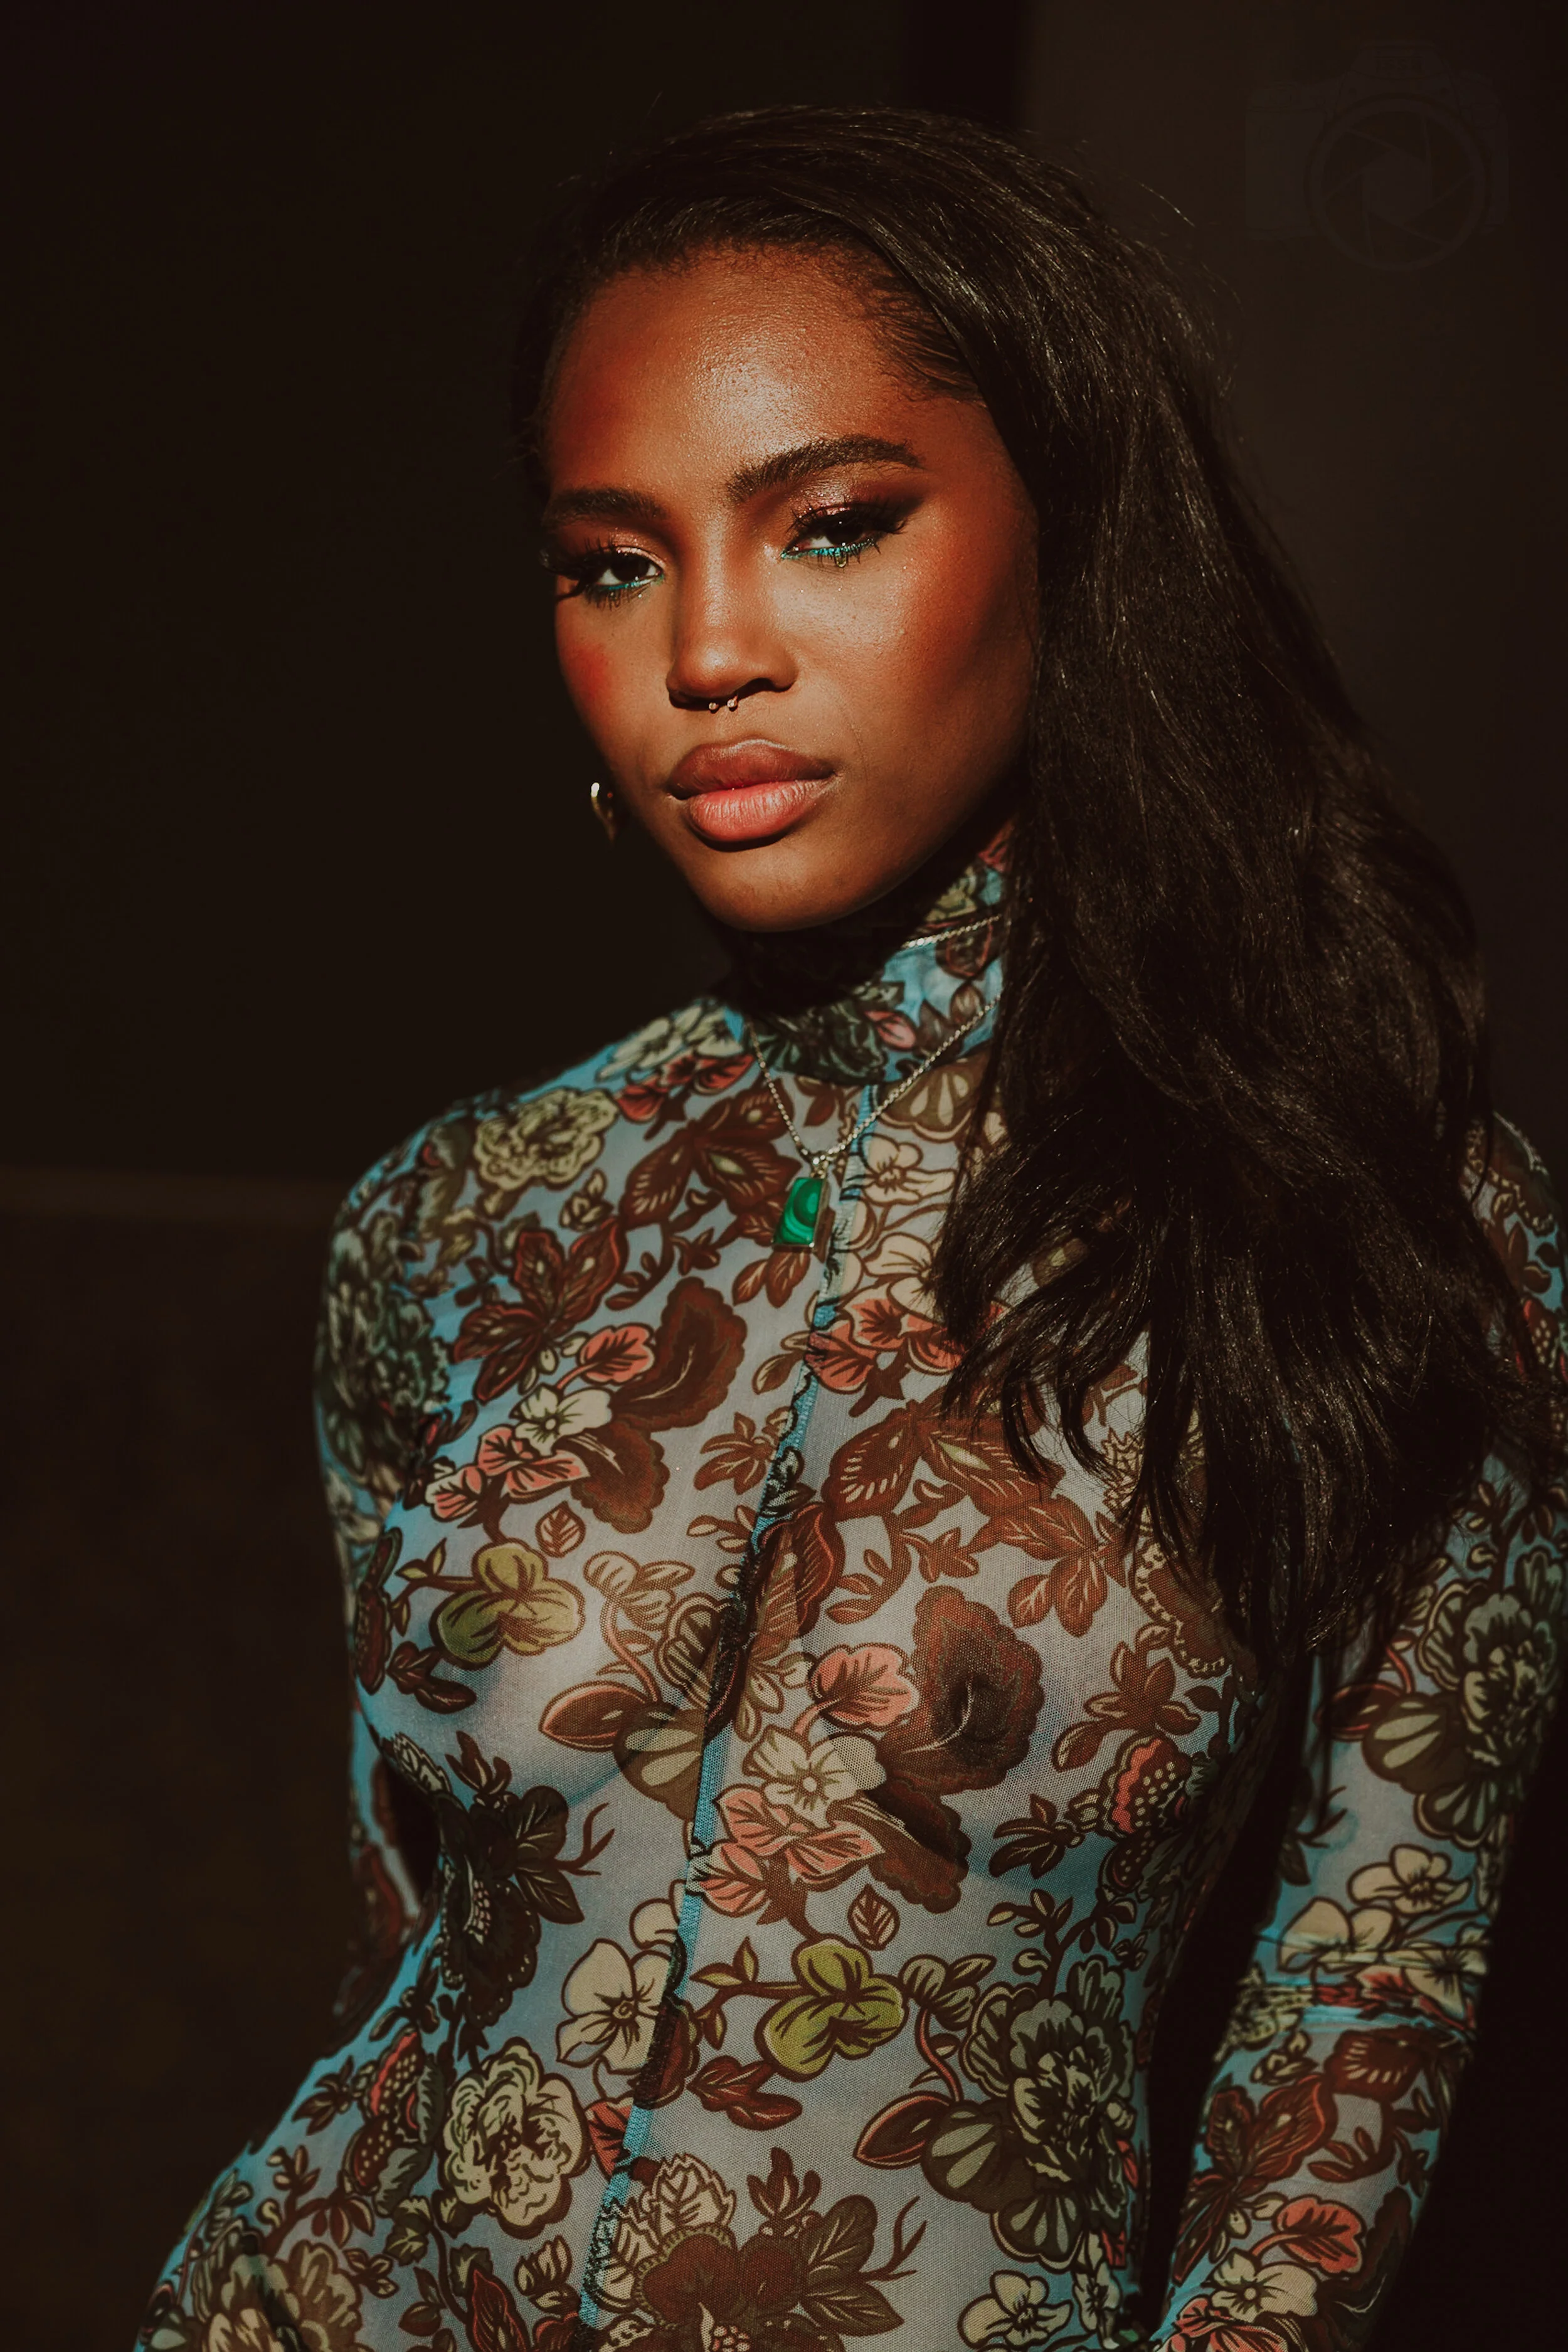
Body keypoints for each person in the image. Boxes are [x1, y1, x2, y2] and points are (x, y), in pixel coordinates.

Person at [140, 107, 1565, 2352]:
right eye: (609, 561)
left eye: (827, 526)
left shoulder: (1374, 1215)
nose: (708, 649)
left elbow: (1365, 1969)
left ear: (1068, 540)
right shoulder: (454, 1218)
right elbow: (404, 1948)